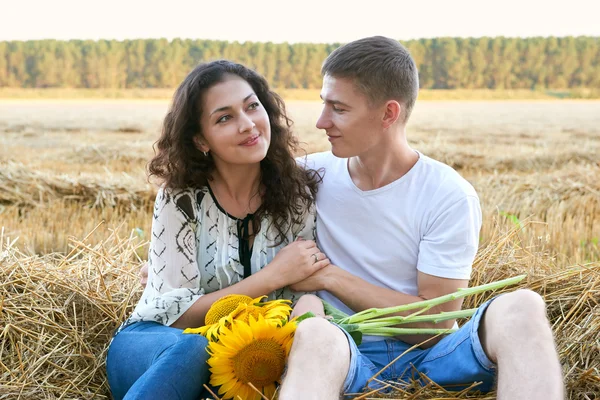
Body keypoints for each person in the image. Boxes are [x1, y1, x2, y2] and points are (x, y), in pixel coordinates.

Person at [278, 36, 564, 399]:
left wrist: (329, 277)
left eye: (339, 108)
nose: (321, 122)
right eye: (324, 104)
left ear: (388, 113)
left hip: (435, 359)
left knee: (523, 306)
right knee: (315, 335)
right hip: (345, 351)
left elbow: (434, 325)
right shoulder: (308, 176)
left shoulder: (447, 193)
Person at [106, 60, 329, 400]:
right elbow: (175, 314)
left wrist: (310, 328)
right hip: (156, 345)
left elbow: (303, 290)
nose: (248, 124)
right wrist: (272, 276)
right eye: (224, 118)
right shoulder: (181, 199)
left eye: (252, 106)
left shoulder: (296, 196)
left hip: (241, 360)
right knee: (194, 350)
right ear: (200, 140)